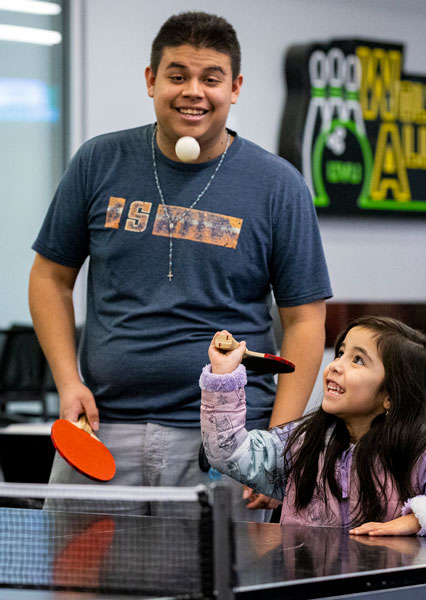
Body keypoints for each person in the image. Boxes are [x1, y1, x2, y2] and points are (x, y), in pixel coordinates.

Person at [28, 11, 331, 517]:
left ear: (234, 88)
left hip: (227, 437)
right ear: (151, 81)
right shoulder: (99, 161)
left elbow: (306, 319)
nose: (194, 91)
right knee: (73, 590)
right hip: (101, 430)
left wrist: (277, 443)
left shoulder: (278, 185)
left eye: (210, 78)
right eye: (177, 76)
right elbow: (50, 278)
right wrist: (67, 381)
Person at [200, 316, 426, 534]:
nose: (335, 365)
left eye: (358, 360)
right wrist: (224, 378)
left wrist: (419, 519)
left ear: (390, 396)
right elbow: (228, 452)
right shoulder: (300, 445)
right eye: (341, 353)